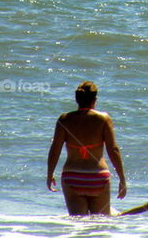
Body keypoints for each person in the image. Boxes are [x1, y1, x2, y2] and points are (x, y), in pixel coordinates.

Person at [47, 81, 127, 215]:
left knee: (78, 225)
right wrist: (122, 178)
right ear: (95, 99)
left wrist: (50, 174)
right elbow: (113, 150)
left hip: (72, 176)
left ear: (76, 99)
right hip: (97, 176)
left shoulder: (64, 119)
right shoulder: (103, 119)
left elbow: (55, 149)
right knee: (100, 225)